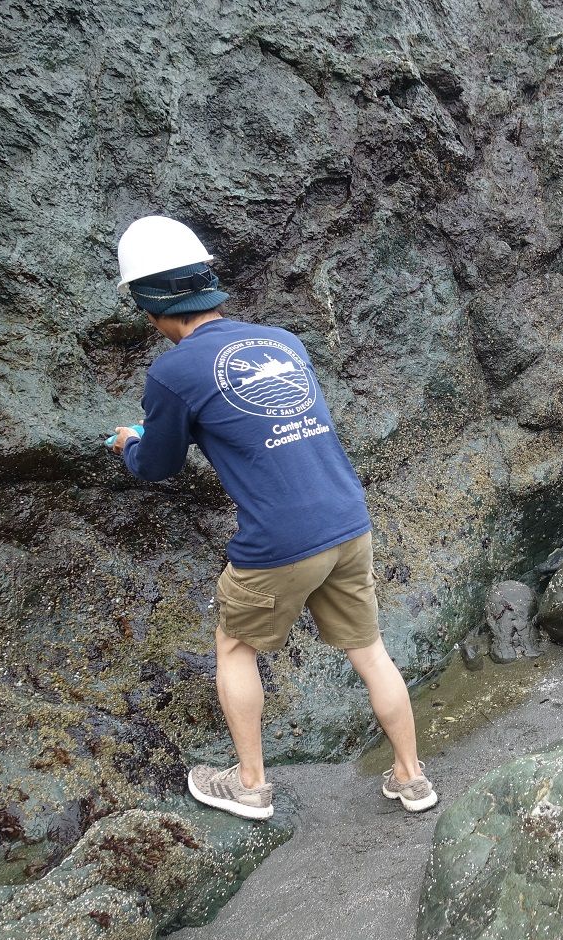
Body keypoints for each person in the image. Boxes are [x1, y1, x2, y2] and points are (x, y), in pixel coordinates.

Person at [109, 214, 436, 820]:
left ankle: (251, 785)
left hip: (281, 540)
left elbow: (157, 466)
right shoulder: (282, 342)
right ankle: (411, 778)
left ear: (151, 306)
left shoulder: (173, 372)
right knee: (369, 649)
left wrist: (131, 441)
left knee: (234, 646)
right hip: (347, 518)